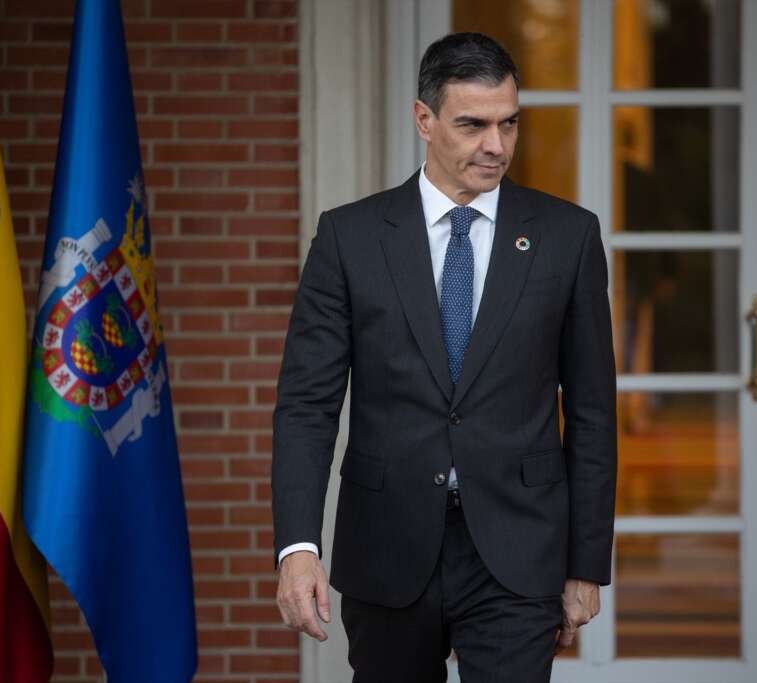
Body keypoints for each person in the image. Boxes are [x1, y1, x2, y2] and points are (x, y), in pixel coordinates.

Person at [271, 32, 617, 682]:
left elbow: (594, 412)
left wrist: (585, 565)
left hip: (518, 549)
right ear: (424, 120)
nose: (497, 144)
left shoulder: (567, 237)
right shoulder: (349, 237)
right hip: (386, 544)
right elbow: (306, 406)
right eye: (473, 124)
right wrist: (297, 546)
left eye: (509, 123)